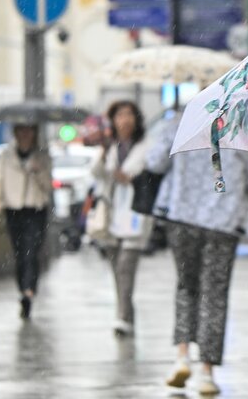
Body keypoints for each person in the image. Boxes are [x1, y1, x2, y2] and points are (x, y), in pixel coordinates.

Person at [146, 111, 248, 396]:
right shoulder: (239, 128)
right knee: (214, 294)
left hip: (182, 216)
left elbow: (153, 163)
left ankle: (181, 356)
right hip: (223, 221)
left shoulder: (178, 125)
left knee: (186, 287)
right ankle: (206, 373)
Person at [90, 100, 154, 337]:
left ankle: (122, 317)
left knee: (126, 267)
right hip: (112, 214)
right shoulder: (111, 147)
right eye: (119, 116)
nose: (124, 120)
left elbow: (152, 173)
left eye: (129, 115)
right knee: (117, 269)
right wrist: (104, 151)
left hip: (135, 214)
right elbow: (96, 173)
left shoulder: (146, 146)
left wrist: (132, 178)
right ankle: (127, 314)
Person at [0, 123, 53, 320]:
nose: (26, 134)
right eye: (22, 130)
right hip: (13, 208)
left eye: (29, 130)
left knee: (31, 251)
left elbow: (48, 185)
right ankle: (22, 289)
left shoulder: (42, 156)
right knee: (19, 253)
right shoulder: (5, 156)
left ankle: (29, 291)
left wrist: (37, 170)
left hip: (35, 208)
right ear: (16, 133)